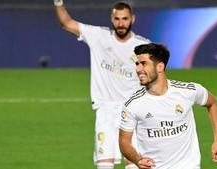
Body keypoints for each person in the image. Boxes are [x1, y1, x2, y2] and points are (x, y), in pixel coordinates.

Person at [54, 0, 150, 169]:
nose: (121, 23)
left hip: (132, 111)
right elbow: (66, 22)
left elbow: (154, 76)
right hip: (105, 111)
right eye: (117, 19)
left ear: (132, 19)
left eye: (125, 19)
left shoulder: (142, 46)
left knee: (135, 163)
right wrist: (58, 2)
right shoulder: (98, 36)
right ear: (112, 19)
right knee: (104, 165)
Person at [119, 43, 217, 169]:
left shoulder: (188, 91)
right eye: (137, 64)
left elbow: (213, 103)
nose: (138, 69)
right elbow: (124, 142)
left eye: (144, 63)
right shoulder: (132, 104)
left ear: (160, 66)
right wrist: (137, 160)